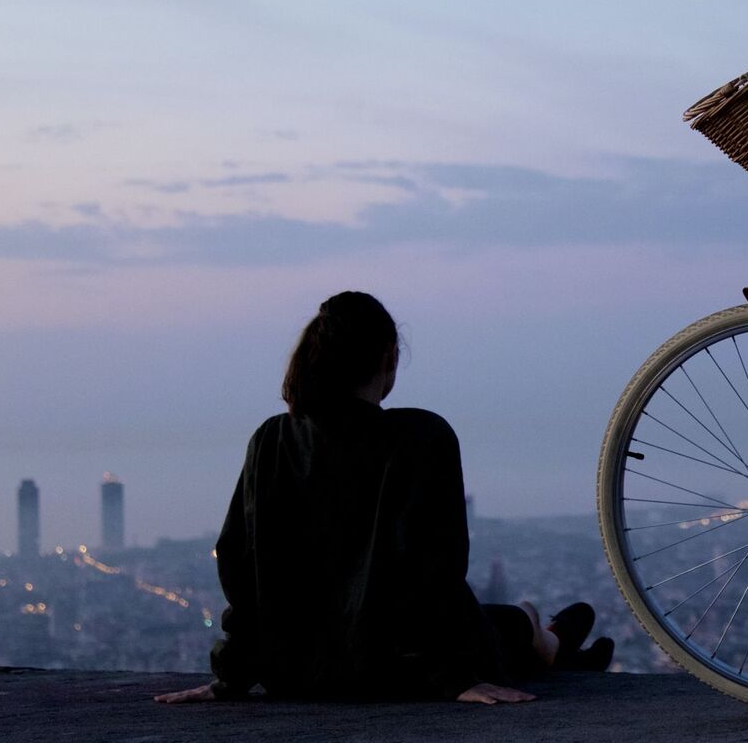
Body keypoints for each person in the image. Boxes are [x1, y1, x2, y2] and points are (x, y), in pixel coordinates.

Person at [155, 291, 609, 706]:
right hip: (401, 671)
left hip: (296, 673)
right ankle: (549, 638)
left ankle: (551, 634)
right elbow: (436, 568)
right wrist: (452, 679)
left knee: (504, 620)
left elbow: (240, 564)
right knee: (511, 621)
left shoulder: (272, 440)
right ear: (390, 359)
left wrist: (230, 677)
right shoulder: (420, 436)